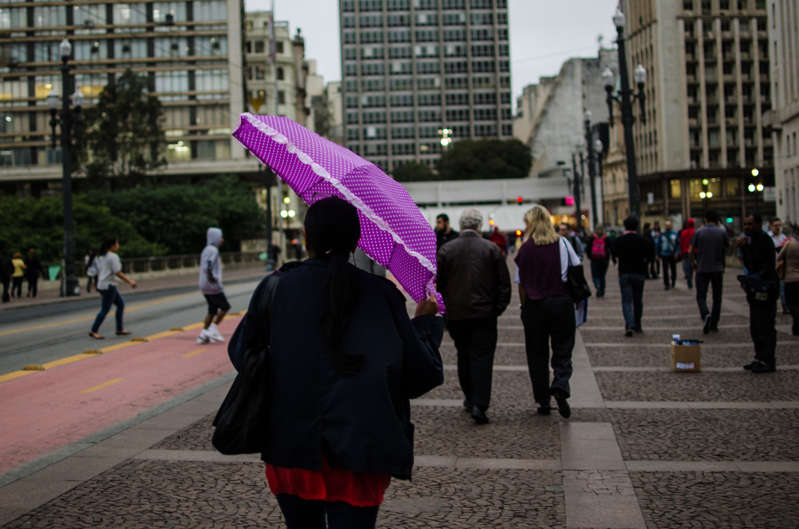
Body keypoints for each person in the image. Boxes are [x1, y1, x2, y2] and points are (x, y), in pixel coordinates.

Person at [228, 197, 443, 528]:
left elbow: (242, 353)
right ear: (356, 241)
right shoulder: (381, 295)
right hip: (361, 448)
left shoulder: (276, 286)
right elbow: (420, 374)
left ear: (306, 236)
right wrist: (426, 324)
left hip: (291, 444)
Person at [437, 208, 511, 424]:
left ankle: (469, 398)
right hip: (484, 314)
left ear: (461, 225)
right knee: (483, 358)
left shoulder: (446, 250)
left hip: (457, 315)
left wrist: (445, 311)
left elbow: (438, 285)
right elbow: (504, 285)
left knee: (463, 355)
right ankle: (480, 404)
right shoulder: (492, 249)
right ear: (479, 226)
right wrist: (496, 309)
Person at [516, 205, 577, 418]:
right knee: (563, 349)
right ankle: (561, 383)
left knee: (536, 354)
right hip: (560, 302)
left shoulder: (525, 248)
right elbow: (575, 269)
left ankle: (542, 400)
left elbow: (520, 282)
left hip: (534, 305)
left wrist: (524, 306)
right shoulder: (563, 243)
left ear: (530, 224)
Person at [739, 214, 778, 373]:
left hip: (766, 288)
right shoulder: (749, 241)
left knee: (766, 325)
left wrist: (755, 278)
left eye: (750, 224)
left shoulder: (765, 240)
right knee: (755, 325)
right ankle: (759, 357)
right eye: (745, 224)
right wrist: (743, 247)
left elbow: (767, 266)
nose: (746, 227)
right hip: (755, 288)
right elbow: (749, 264)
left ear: (759, 224)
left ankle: (768, 360)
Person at [611, 216, 652, 337]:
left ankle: (629, 324)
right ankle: (638, 324)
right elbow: (649, 255)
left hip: (624, 273)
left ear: (625, 226)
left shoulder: (619, 240)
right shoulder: (642, 239)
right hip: (639, 273)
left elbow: (614, 254)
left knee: (627, 301)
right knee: (638, 300)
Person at [89, 238, 136, 340]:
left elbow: (99, 271)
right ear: (112, 245)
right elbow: (117, 272)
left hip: (103, 284)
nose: (118, 245)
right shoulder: (113, 257)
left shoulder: (102, 256)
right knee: (105, 309)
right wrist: (130, 281)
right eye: (117, 243)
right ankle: (94, 330)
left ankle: (119, 329)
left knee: (120, 305)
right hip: (108, 286)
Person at [691, 211, 729, 334]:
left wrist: (694, 263)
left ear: (705, 219)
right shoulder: (722, 232)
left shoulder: (699, 232)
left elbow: (690, 250)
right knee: (717, 297)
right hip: (717, 268)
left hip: (702, 268)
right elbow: (726, 247)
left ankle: (705, 314)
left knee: (701, 296)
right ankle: (714, 323)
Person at [198, 227, 230, 344]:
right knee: (225, 307)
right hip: (212, 286)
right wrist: (214, 281)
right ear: (215, 238)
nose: (222, 240)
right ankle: (213, 328)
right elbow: (208, 266)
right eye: (220, 237)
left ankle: (203, 333)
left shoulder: (206, 249)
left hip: (203, 285)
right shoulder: (213, 250)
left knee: (212, 310)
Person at [777, 233, 799, 335]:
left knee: (791, 303)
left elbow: (779, 257)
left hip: (790, 279)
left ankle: (797, 323)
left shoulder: (789, 244)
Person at [768, 218, 790, 314]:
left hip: (781, 266)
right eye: (775, 225)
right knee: (773, 288)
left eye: (779, 225)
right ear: (771, 226)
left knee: (783, 288)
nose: (777, 227)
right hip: (771, 267)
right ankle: (772, 307)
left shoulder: (783, 237)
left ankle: (785, 307)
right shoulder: (768, 237)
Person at [586, 224, 611, 297]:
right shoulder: (606, 238)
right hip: (604, 260)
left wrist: (590, 257)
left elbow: (588, 248)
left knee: (595, 276)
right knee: (602, 276)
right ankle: (602, 291)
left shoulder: (592, 238)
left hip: (594, 260)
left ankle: (597, 286)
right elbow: (609, 249)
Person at [657, 221, 680, 290]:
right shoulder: (662, 234)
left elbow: (678, 244)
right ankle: (666, 283)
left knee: (673, 269)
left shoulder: (674, 234)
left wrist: (677, 252)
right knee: (665, 269)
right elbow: (658, 244)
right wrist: (657, 254)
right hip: (664, 254)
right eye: (666, 225)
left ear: (671, 226)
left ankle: (673, 280)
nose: (667, 226)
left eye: (669, 225)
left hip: (672, 254)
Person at [679, 218, 697, 288]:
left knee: (687, 266)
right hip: (695, 251)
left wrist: (681, 252)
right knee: (696, 266)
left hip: (685, 252)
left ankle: (689, 277)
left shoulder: (683, 232)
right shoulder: (695, 232)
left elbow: (681, 243)